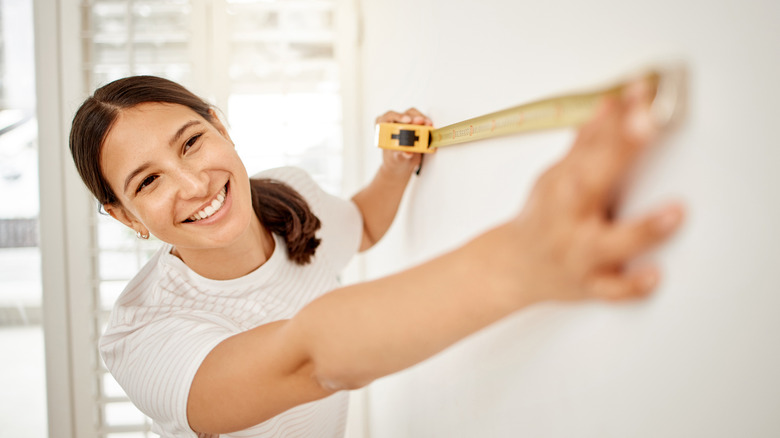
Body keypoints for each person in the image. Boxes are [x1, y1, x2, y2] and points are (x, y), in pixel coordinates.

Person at [69, 75, 683, 437]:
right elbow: (306, 361)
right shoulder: (142, 337)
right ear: (126, 217)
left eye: (192, 143)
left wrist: (396, 166)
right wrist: (520, 262)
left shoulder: (289, 195)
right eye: (147, 182)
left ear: (221, 126)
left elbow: (358, 225)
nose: (194, 184)